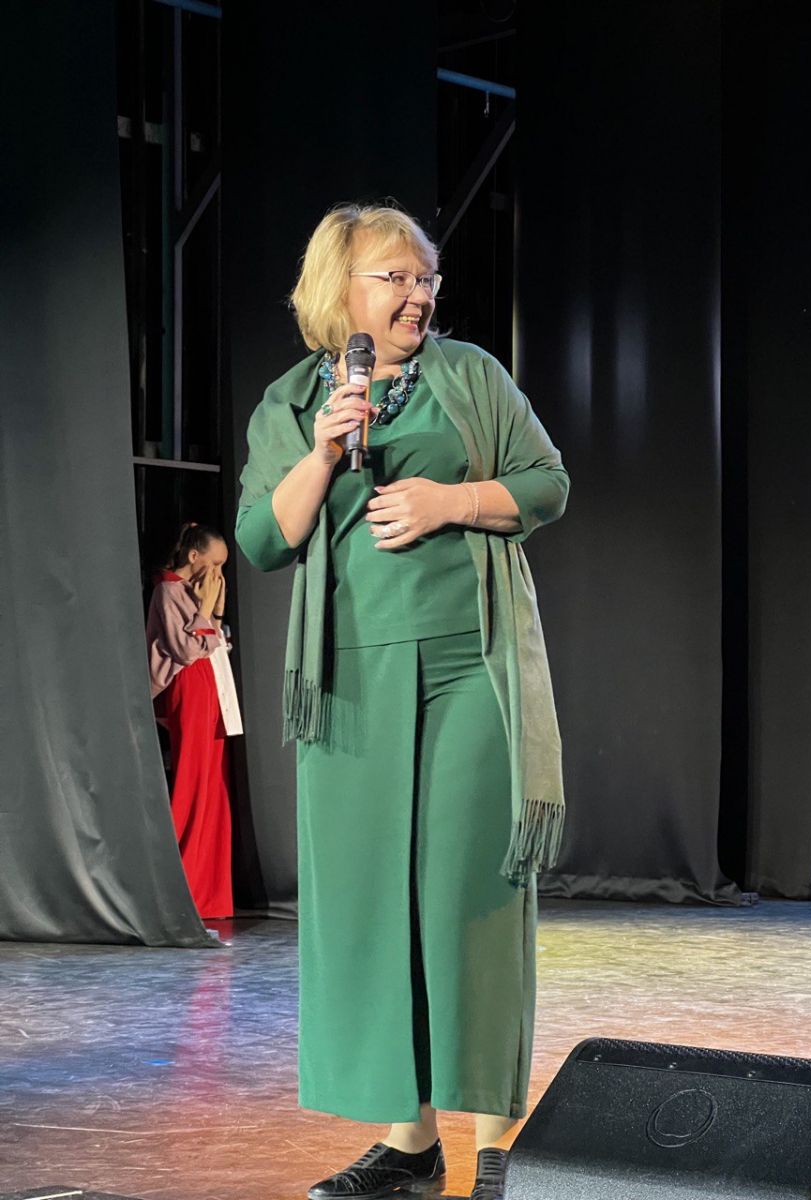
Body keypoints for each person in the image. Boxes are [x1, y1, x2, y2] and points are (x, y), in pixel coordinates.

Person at [235, 202, 569, 1200]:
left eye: (425, 278)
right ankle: (411, 1143)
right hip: (349, 686)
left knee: (471, 901)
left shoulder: (471, 377)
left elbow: (546, 484)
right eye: (395, 277)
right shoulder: (296, 402)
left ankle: (499, 1146)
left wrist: (450, 502)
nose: (417, 295)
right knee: (376, 909)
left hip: (470, 669)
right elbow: (262, 540)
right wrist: (323, 453)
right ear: (339, 290)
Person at [146, 522, 241, 920]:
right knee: (192, 778)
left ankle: (210, 894)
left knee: (213, 784)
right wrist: (206, 612)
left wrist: (214, 613)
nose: (217, 574)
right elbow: (185, 650)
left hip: (211, 686)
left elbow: (214, 641)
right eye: (214, 564)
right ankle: (179, 889)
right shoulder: (168, 590)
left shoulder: (194, 592)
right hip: (189, 686)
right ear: (194, 556)